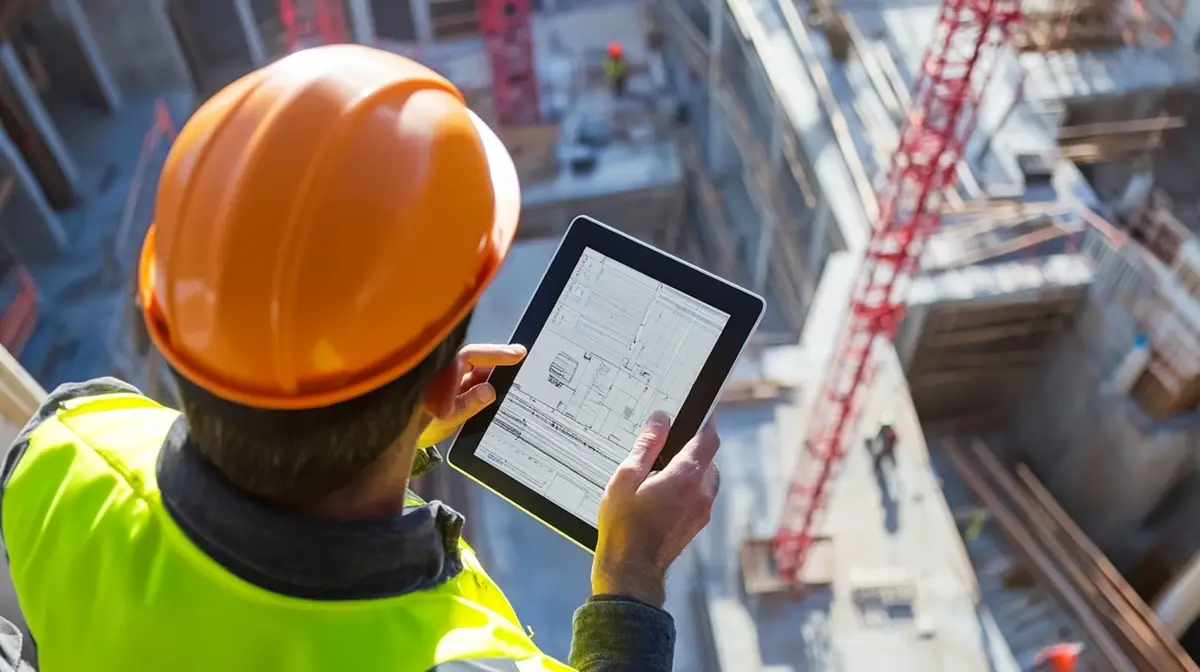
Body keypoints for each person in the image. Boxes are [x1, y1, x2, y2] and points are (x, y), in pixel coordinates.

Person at [0, 45, 720, 671]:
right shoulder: (462, 661)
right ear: (443, 387)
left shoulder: (66, 443)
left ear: (168, 314)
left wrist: (398, 441)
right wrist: (631, 577)